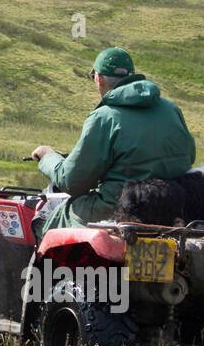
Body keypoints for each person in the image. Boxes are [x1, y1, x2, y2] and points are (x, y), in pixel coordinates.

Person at [29, 47, 195, 237]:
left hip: (118, 211)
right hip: (172, 213)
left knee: (50, 217)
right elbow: (189, 156)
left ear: (98, 78)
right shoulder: (171, 109)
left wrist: (47, 156)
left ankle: (38, 267)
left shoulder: (104, 117)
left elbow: (72, 181)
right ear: (132, 76)